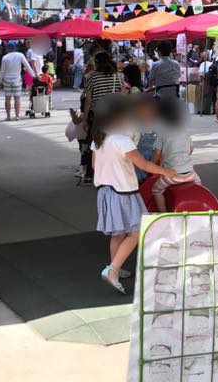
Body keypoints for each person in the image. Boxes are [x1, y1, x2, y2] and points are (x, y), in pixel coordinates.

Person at [93, 95, 175, 294]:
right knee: (136, 232)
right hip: (124, 193)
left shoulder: (99, 139)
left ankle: (116, 266)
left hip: (106, 192)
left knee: (118, 233)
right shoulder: (122, 141)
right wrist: (165, 171)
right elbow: (143, 164)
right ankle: (112, 270)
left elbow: (95, 165)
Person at [80, 52, 125, 185]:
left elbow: (88, 101)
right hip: (113, 116)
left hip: (97, 116)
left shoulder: (92, 77)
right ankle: (112, 173)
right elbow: (122, 96)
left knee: (95, 144)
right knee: (112, 144)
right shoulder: (117, 76)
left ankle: (92, 175)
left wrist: (85, 119)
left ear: (97, 63)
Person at [151, 100, 198, 212]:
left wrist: (152, 164)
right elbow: (190, 150)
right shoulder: (185, 133)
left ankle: (164, 214)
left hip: (172, 176)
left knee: (156, 190)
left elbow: (156, 154)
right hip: (191, 174)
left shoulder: (162, 134)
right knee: (199, 185)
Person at [0, 46, 37, 121]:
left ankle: (8, 116)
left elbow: (2, 70)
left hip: (6, 80)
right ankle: (17, 116)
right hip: (17, 80)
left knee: (7, 98)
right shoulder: (20, 55)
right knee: (17, 98)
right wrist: (33, 75)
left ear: (8, 49)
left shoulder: (5, 57)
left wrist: (0, 81)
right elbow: (27, 66)